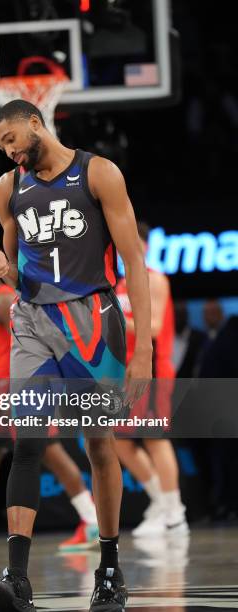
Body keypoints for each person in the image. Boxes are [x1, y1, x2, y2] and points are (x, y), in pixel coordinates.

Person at [0, 100, 152, 612]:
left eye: (10, 139)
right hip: (32, 321)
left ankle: (109, 569)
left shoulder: (99, 173)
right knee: (26, 444)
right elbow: (16, 273)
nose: (8, 151)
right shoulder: (9, 188)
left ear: (34, 122)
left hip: (92, 317)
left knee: (98, 445)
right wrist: (1, 269)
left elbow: (134, 262)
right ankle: (17, 578)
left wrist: (144, 349)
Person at [0, 239, 98, 553]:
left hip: (18, 389)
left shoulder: (2, 302)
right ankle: (91, 519)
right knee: (32, 453)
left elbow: (37, 338)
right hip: (8, 389)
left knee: (4, 456)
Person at [115, 222, 188, 537]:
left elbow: (155, 327)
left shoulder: (155, 279)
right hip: (124, 372)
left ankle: (175, 514)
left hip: (154, 367)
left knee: (155, 439)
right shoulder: (117, 286)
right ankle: (161, 502)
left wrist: (113, 316)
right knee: (119, 442)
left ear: (142, 245)